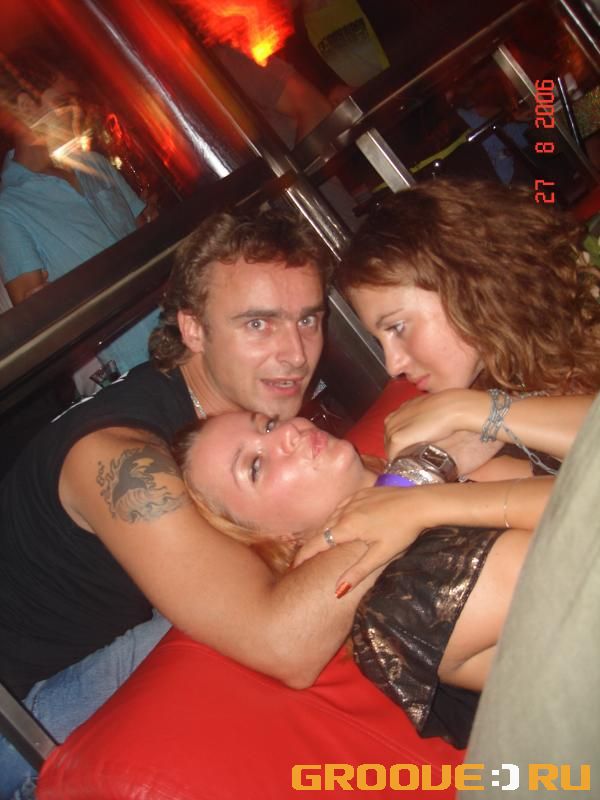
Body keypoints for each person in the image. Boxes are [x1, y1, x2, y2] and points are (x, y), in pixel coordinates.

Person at [0, 207, 379, 799]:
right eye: (258, 323)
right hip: (24, 719)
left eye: (308, 319)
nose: (295, 353)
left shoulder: (230, 417)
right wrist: (407, 492)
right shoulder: (119, 457)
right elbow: (284, 644)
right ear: (193, 329)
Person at [172, 408, 549, 748]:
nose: (288, 432)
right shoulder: (403, 603)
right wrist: (418, 485)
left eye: (269, 424)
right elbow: (572, 539)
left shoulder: (453, 466)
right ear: (275, 536)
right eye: (255, 466)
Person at [0, 49, 159, 382]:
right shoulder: (9, 207)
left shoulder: (96, 165)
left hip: (182, 327)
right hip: (134, 366)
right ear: (26, 108)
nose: (77, 111)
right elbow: (35, 314)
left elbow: (147, 230)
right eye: (64, 102)